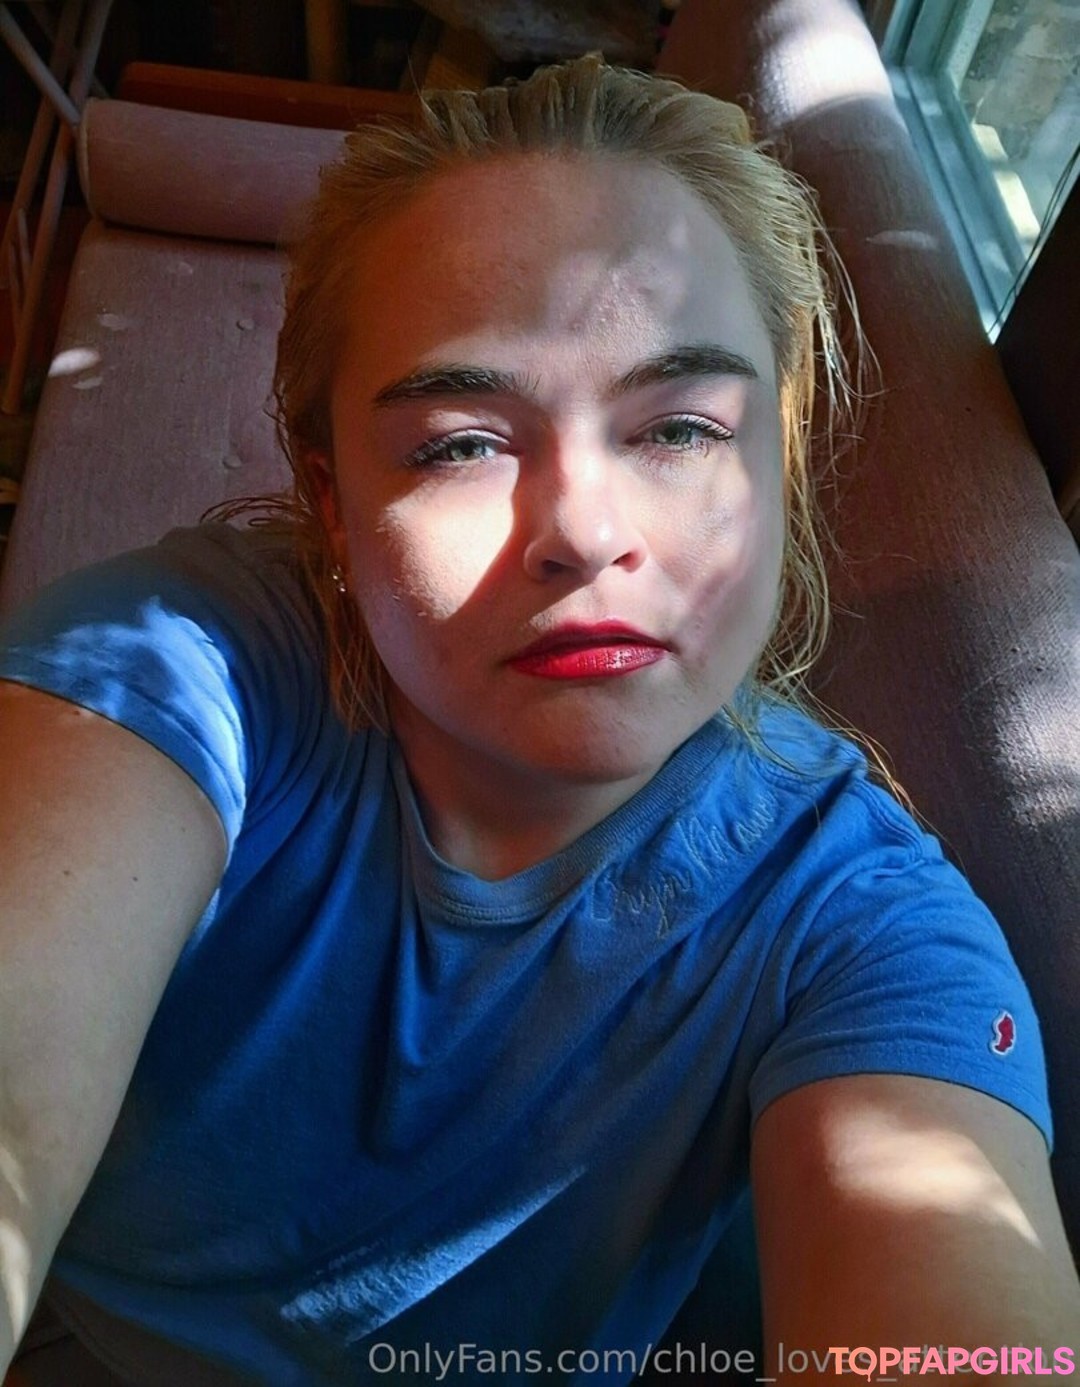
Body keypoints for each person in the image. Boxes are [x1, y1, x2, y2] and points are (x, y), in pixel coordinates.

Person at [1, 52, 1078, 1386]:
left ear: (780, 456)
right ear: (330, 502)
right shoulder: (182, 668)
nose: (583, 530)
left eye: (679, 427)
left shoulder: (859, 931)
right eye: (462, 441)